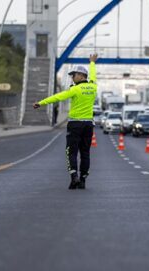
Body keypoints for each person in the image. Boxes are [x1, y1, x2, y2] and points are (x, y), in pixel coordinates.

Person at [33, 54, 98, 189]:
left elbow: (58, 97)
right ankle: (83, 180)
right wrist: (92, 62)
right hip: (88, 125)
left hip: (75, 124)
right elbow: (93, 75)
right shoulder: (93, 87)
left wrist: (41, 103)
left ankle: (74, 176)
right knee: (85, 153)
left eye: (73, 75)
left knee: (71, 151)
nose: (72, 78)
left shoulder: (74, 89)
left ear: (80, 75)